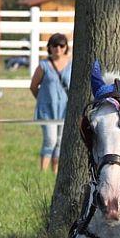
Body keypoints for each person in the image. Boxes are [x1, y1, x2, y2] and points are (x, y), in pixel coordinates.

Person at [29, 32, 71, 173]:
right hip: (47, 110)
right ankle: (42, 172)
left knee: (60, 142)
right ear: (49, 47)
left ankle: (55, 173)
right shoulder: (44, 65)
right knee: (50, 140)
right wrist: (42, 101)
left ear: (66, 47)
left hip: (65, 109)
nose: (58, 48)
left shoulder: (71, 64)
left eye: (61, 45)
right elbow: (34, 86)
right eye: (54, 45)